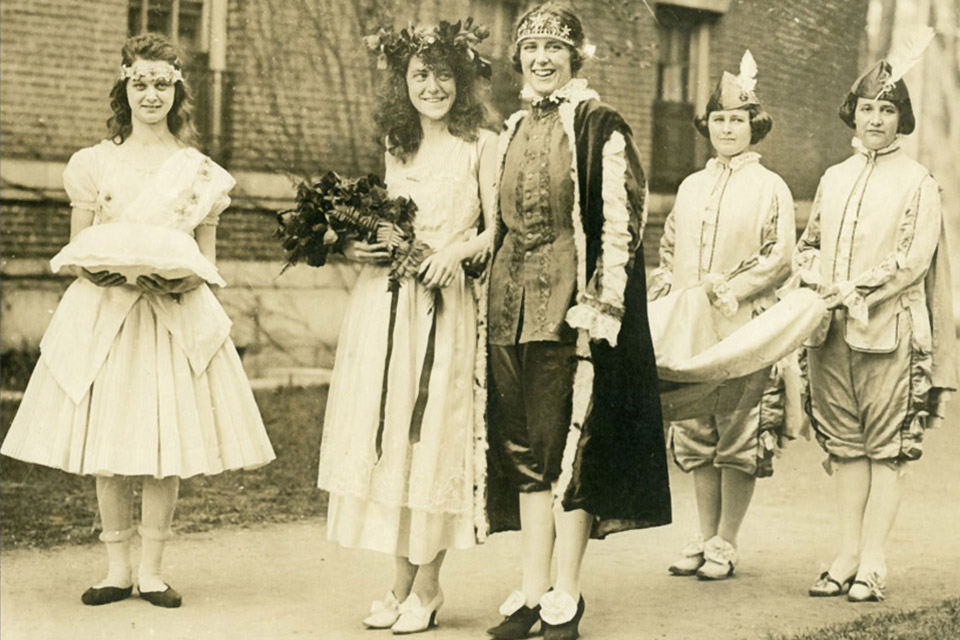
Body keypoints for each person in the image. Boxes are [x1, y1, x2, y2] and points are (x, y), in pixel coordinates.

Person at [0, 33, 275, 608]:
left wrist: (183, 279)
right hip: (109, 317)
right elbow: (81, 245)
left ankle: (152, 569)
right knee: (110, 443)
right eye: (140, 82)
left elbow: (206, 260)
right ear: (124, 87)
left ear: (178, 91)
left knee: (160, 445)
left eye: (162, 84)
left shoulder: (199, 173)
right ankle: (116, 568)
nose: (151, 94)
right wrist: (93, 270)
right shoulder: (95, 163)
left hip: (169, 316)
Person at [481, 4, 670, 639]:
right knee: (523, 453)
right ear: (519, 60)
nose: (541, 59)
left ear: (574, 57)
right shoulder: (508, 128)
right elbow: (499, 225)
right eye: (531, 49)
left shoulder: (598, 126)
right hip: (508, 311)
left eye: (554, 50)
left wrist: (602, 305)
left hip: (571, 310)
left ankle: (566, 591)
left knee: (569, 451)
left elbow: (623, 225)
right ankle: (531, 591)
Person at [316, 19, 498, 634]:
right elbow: (383, 220)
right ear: (405, 82)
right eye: (421, 75)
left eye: (445, 74)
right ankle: (399, 583)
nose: (433, 86)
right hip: (386, 309)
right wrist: (357, 246)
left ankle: (428, 585)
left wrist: (456, 253)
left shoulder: (481, 144)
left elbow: (496, 229)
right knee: (395, 437)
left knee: (433, 437)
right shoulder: (397, 146)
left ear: (463, 80)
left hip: (444, 312)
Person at [796, 40, 956, 602]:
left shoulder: (917, 181)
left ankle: (873, 561)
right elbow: (809, 241)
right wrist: (818, 281)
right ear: (853, 113)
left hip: (888, 333)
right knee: (845, 447)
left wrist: (855, 289)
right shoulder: (834, 177)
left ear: (901, 120)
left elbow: (913, 259)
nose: (875, 119)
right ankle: (845, 554)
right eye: (867, 108)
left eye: (886, 110)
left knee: (887, 447)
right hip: (831, 334)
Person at [648, 51, 795, 581]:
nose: (727, 128)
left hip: (743, 325)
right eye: (719, 120)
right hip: (694, 327)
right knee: (696, 431)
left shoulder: (769, 186)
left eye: (737, 120)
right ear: (706, 126)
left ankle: (727, 540)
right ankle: (704, 532)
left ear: (753, 126)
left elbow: (778, 255)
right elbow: (668, 249)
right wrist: (669, 288)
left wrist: (731, 288)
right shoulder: (691, 186)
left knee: (739, 431)